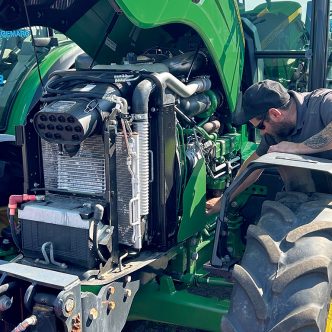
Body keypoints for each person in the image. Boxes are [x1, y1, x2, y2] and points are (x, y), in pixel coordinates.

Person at [206, 79, 332, 215]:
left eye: (261, 126)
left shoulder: (323, 102)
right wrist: (224, 200)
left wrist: (297, 147)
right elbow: (253, 164)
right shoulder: (276, 132)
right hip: (309, 201)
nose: (262, 132)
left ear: (275, 114)